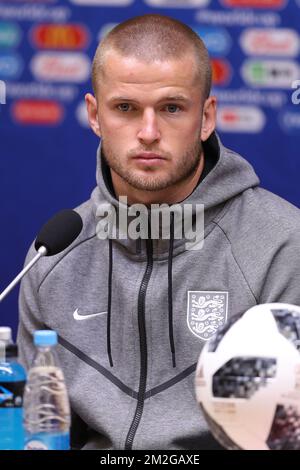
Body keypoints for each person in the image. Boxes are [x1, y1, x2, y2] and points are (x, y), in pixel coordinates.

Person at [17, 14, 300, 450]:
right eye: (125, 108)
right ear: (95, 115)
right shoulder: (53, 254)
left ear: (206, 117)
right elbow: (38, 432)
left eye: (171, 108)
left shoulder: (283, 244)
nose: (148, 134)